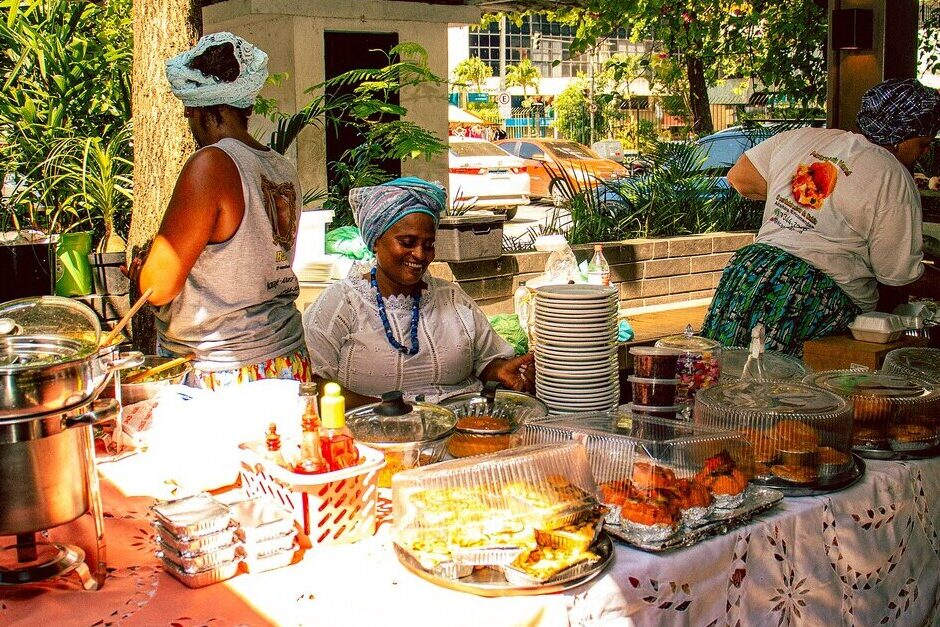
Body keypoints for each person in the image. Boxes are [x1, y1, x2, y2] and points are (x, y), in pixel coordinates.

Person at [702, 78, 940, 356]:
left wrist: (803, 206)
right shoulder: (892, 175)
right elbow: (897, 274)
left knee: (726, 376)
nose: (924, 152)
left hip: (751, 271)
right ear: (901, 136)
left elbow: (739, 177)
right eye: (923, 143)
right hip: (810, 295)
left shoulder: (808, 137)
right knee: (786, 387)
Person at [130, 32, 311, 389]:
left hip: (225, 369)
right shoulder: (278, 166)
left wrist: (142, 269)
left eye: (188, 114)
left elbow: (157, 287)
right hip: (285, 359)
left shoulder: (212, 163)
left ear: (198, 109)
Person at [302, 177, 535, 408]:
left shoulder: (452, 299)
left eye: (428, 244)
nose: (420, 255)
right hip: (374, 435)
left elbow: (486, 362)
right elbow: (312, 384)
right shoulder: (341, 305)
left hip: (462, 427)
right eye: (407, 242)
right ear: (375, 242)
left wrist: (500, 370)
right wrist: (390, 412)